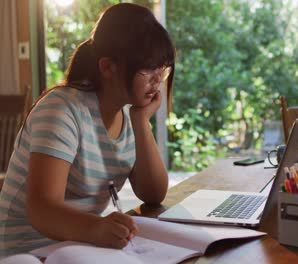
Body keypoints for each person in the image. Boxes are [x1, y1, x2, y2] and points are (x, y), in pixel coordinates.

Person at [0, 3, 175, 257]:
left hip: (74, 248)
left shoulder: (126, 112)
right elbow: (41, 209)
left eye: (162, 68)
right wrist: (97, 228)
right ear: (108, 68)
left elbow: (154, 193)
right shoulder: (62, 110)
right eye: (147, 68)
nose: (157, 80)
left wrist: (141, 122)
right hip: (27, 252)